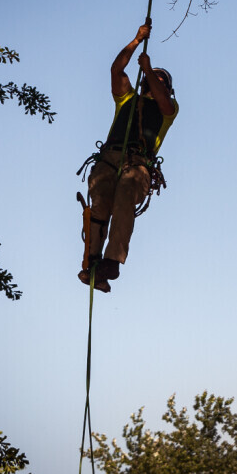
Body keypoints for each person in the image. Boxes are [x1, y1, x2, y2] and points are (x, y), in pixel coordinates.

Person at [79, 20, 178, 292]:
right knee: (99, 206)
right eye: (151, 77)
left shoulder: (168, 109)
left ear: (167, 88)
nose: (153, 80)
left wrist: (148, 69)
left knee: (124, 199)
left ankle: (112, 261)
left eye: (160, 79)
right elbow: (116, 70)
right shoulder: (126, 98)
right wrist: (136, 41)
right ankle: (93, 262)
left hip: (137, 165)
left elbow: (163, 101)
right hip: (109, 159)